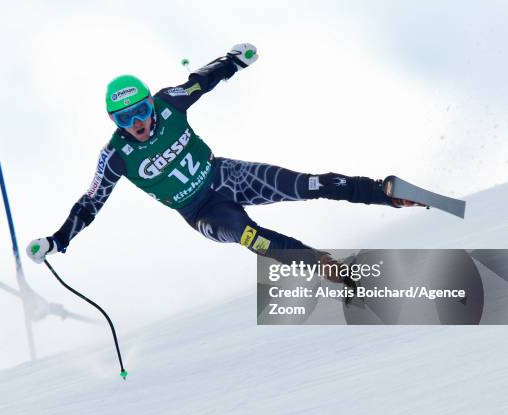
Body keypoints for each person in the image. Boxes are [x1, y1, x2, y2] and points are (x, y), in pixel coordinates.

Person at [26, 43, 420, 282]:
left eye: (141, 111)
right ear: (114, 123)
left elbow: (201, 80)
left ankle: (385, 193)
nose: (140, 124)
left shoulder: (168, 103)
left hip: (227, 175)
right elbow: (90, 203)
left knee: (310, 184)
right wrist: (58, 240)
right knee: (251, 236)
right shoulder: (115, 156)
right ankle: (320, 263)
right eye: (125, 119)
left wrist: (234, 60)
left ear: (150, 103)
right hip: (202, 211)